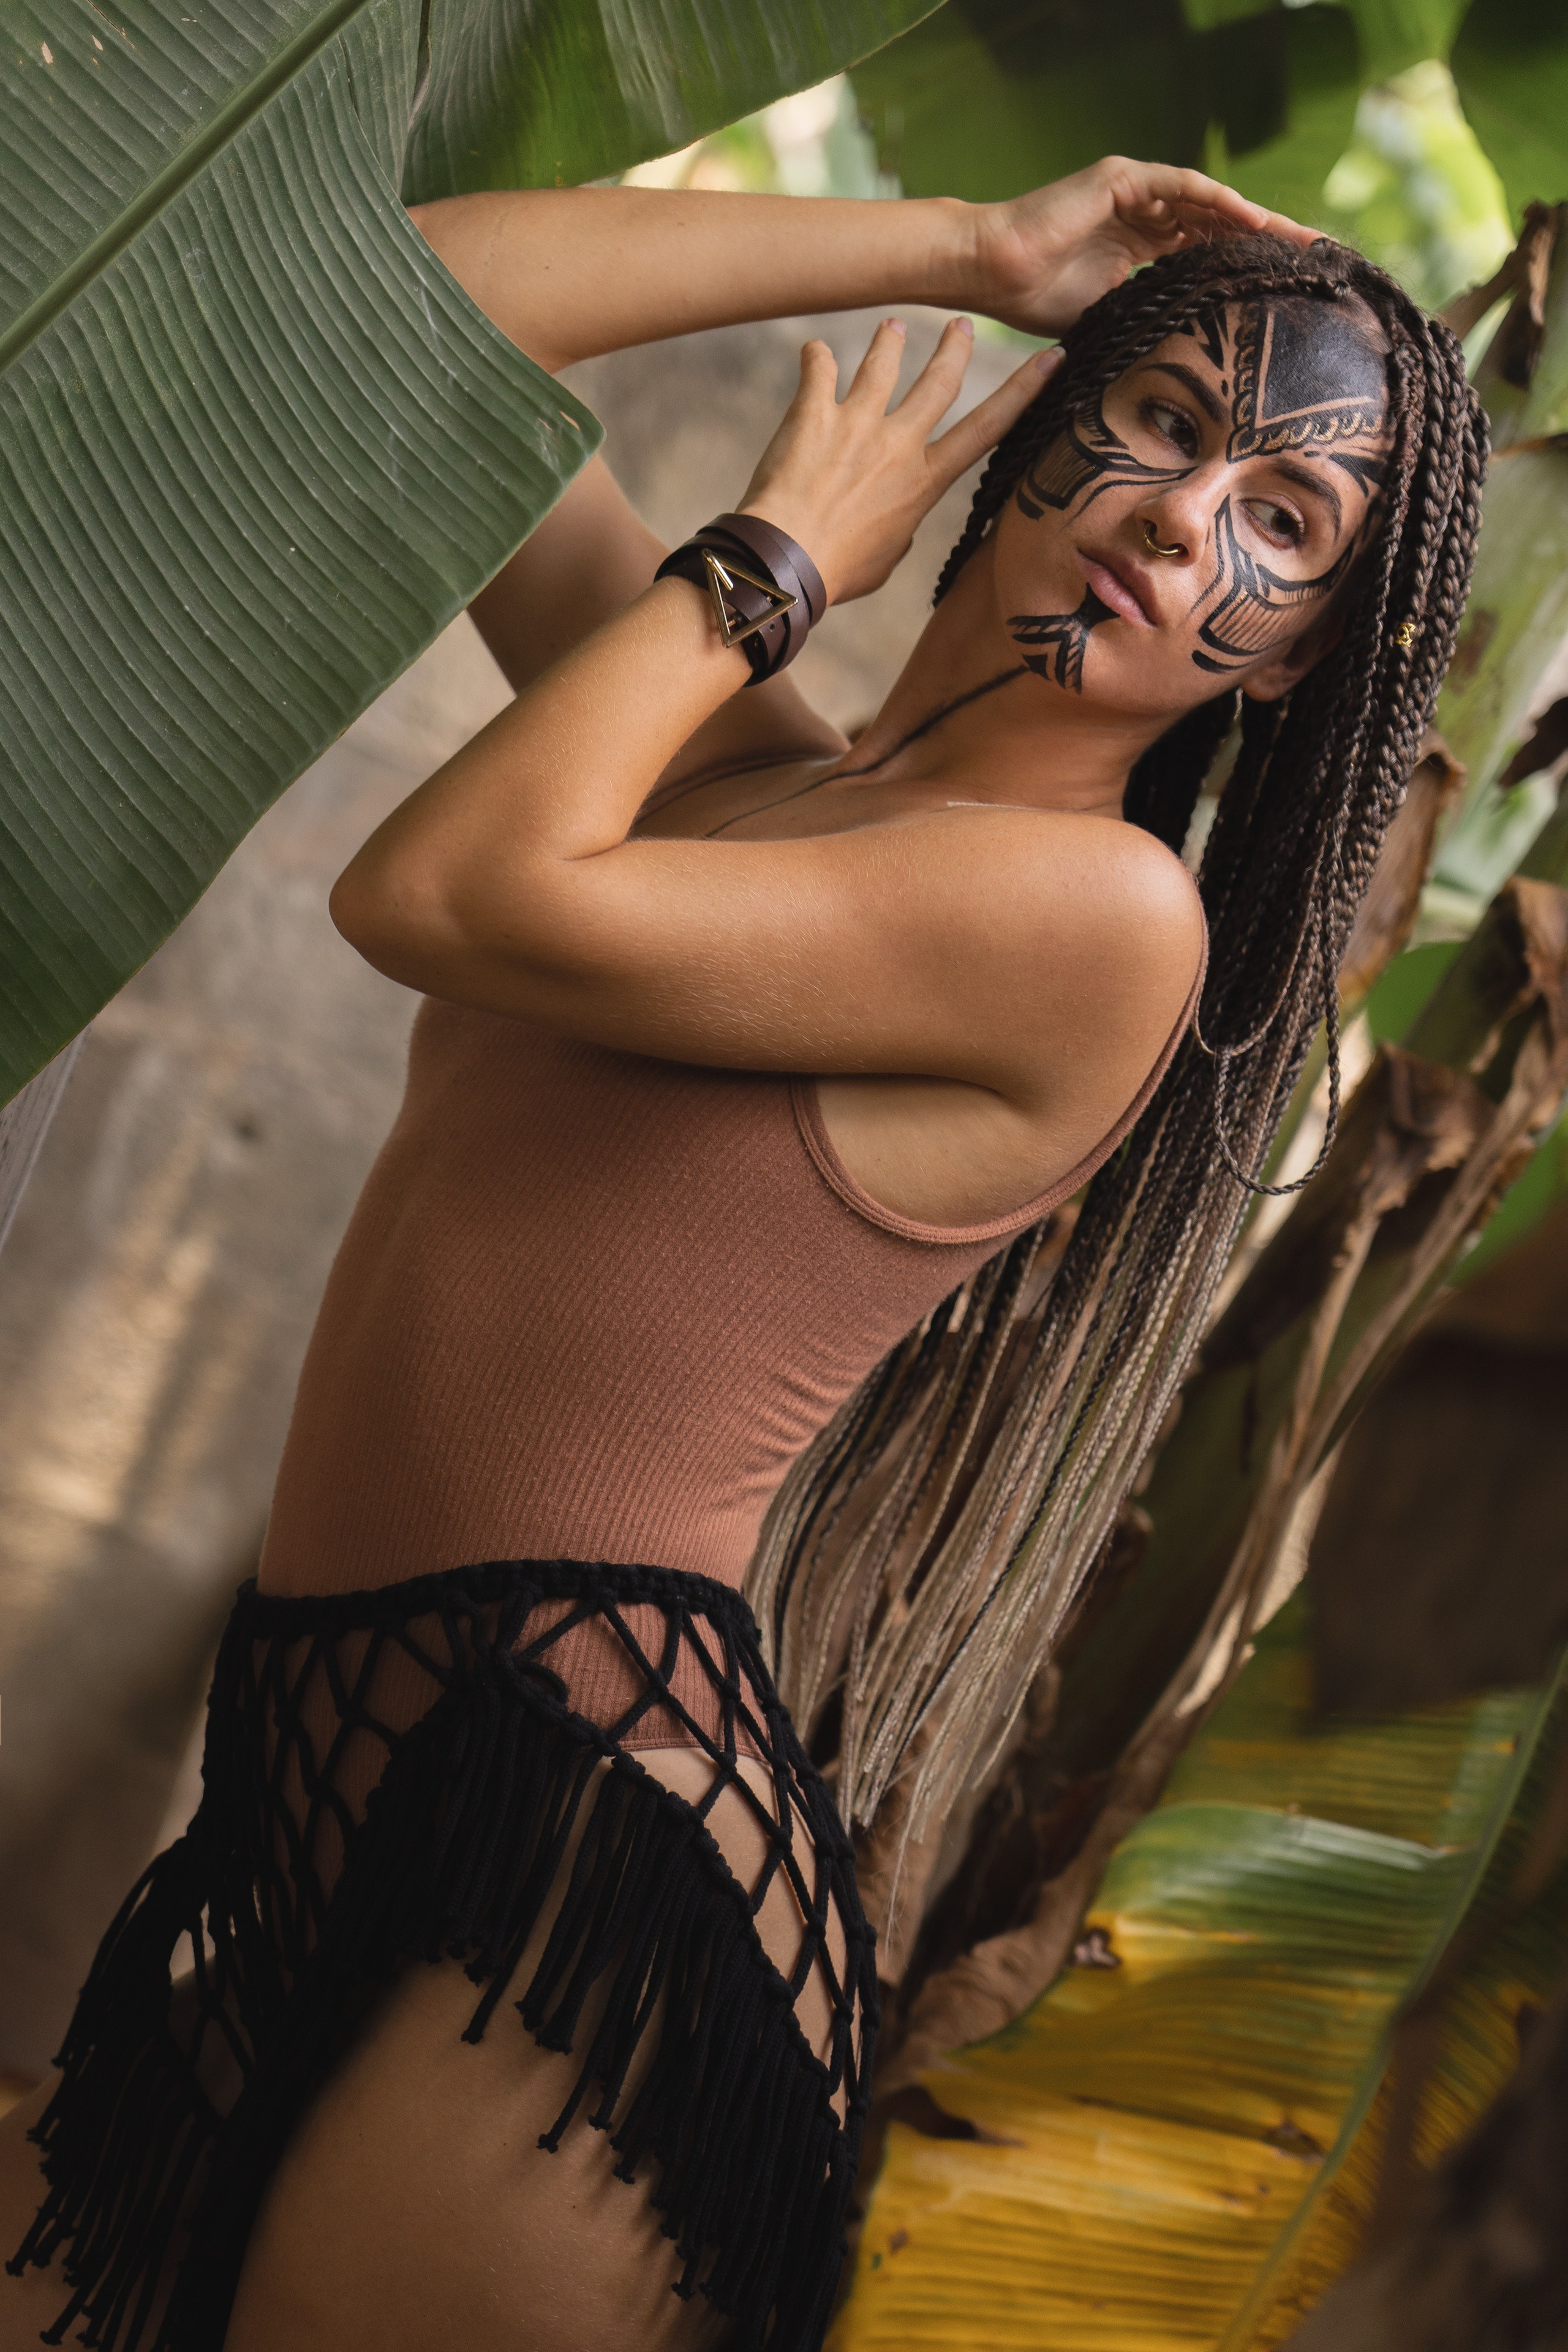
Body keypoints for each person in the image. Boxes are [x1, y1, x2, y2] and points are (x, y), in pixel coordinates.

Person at [1, 157, 1483, 2352]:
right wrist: (970, 252)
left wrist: (773, 561)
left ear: (1295, 672)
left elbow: (433, 898)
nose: (1188, 519)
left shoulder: (1093, 923)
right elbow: (417, 314)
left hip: (580, 1875)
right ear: (1045, 412)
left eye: (1285, 522)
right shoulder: (745, 792)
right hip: (341, 1777)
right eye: (1167, 416)